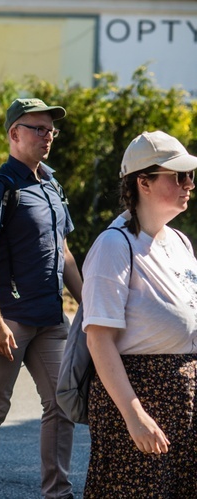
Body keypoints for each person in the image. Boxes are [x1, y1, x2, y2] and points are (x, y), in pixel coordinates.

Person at [0, 98, 82, 499]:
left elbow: (63, 251)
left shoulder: (50, 183)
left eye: (51, 130)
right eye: (38, 128)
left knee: (62, 404)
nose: (47, 136)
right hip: (7, 318)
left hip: (50, 318)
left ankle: (57, 492)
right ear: (14, 134)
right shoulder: (0, 186)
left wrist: (88, 303)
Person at [81, 131, 197, 497]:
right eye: (178, 176)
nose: (189, 183)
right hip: (140, 399)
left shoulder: (179, 241)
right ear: (143, 182)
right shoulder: (115, 245)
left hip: (183, 401)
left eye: (189, 175)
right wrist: (134, 416)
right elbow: (98, 339)